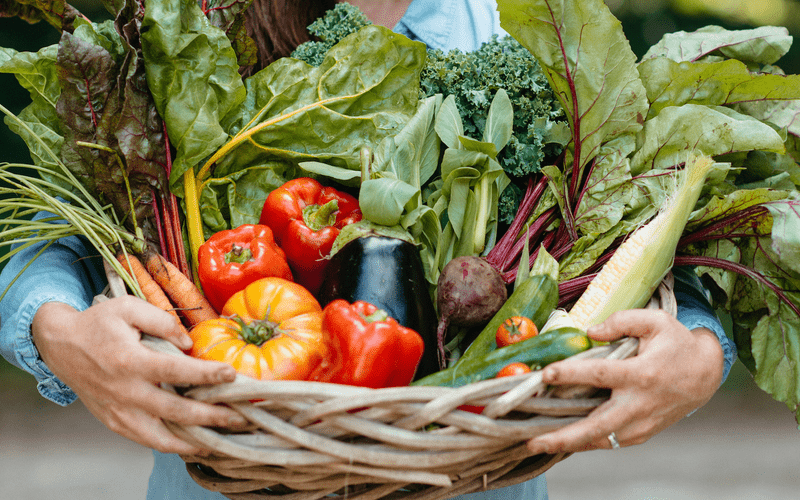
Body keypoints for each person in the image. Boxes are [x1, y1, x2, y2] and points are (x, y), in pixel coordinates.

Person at [0, 1, 736, 499]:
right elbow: (49, 243)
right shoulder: (196, 22)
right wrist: (56, 332)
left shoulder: (533, 24)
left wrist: (701, 352)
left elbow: (652, 239)